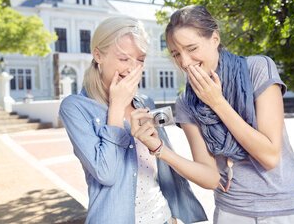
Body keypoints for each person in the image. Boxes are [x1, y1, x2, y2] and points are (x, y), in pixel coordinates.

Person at [130, 5, 294, 224]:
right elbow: (210, 178)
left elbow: (269, 157)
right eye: (176, 54)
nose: (185, 62)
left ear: (214, 38)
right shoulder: (186, 102)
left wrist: (217, 102)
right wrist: (159, 149)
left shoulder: (257, 68)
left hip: (287, 207)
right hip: (233, 211)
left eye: (192, 48)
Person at [59, 15, 207, 224]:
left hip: (163, 217)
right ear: (98, 55)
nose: (132, 68)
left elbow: (162, 167)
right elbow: (106, 174)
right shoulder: (75, 107)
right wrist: (117, 108)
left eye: (140, 60)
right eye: (123, 58)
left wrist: (172, 215)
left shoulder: (144, 102)